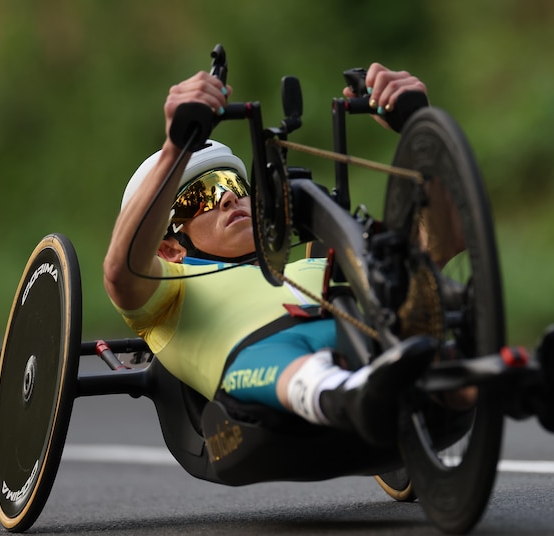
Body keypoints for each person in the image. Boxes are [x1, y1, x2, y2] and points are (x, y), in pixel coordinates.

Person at [103, 64, 437, 446]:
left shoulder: (317, 258)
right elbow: (120, 271)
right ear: (169, 248)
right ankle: (342, 394)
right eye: (200, 198)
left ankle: (481, 382)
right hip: (262, 367)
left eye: (231, 184)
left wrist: (420, 129)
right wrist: (176, 147)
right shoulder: (169, 289)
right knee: (277, 357)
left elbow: (436, 248)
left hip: (363, 344)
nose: (227, 197)